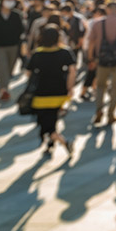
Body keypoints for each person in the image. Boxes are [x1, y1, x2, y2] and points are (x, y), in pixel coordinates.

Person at [26, 25, 76, 158]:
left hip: (41, 94)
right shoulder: (64, 52)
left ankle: (62, 141)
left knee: (45, 123)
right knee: (52, 120)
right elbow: (72, 71)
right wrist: (70, 87)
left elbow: (28, 73)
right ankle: (51, 143)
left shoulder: (38, 53)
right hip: (59, 92)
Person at [86, 0, 116, 125]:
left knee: (100, 86)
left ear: (107, 10)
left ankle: (99, 110)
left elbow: (91, 42)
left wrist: (90, 58)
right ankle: (111, 114)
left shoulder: (97, 23)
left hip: (101, 59)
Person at [0, 0, 27, 102]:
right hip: (0, 46)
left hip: (14, 45)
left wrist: (23, 43)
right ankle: (4, 90)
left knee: (10, 68)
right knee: (2, 67)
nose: (10, 2)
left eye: (12, 0)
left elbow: (22, 30)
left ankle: (4, 86)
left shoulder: (17, 15)